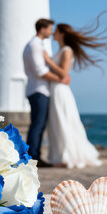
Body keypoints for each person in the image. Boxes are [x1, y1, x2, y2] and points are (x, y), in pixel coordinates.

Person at [43, 21, 107, 168]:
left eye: (56, 31)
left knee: (64, 121)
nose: (53, 33)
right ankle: (60, 156)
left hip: (60, 91)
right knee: (57, 123)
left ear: (62, 34)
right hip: (55, 89)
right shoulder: (61, 50)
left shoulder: (66, 50)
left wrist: (48, 60)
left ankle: (67, 156)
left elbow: (64, 73)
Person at [23, 18, 70, 167]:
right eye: (50, 29)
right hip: (39, 90)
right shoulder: (35, 46)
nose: (51, 32)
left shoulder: (35, 45)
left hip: (38, 89)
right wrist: (59, 79)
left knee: (39, 124)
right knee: (38, 124)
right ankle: (33, 157)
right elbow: (40, 71)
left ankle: (33, 155)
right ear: (42, 29)